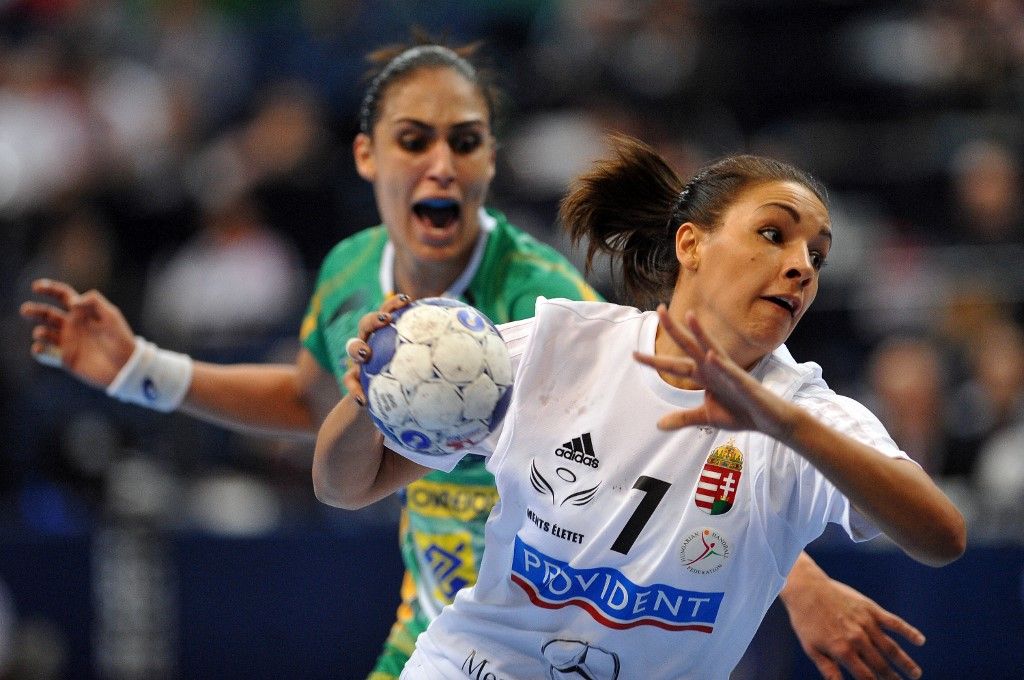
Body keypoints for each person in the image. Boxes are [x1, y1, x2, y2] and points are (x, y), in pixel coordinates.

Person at [22, 40, 932, 680]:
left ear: (492, 161)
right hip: (460, 625)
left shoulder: (543, 303)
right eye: (415, 140)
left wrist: (796, 577)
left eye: (465, 141)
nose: (442, 164)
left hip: (591, 619)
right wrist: (145, 369)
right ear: (366, 157)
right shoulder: (352, 273)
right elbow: (314, 410)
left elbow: (677, 472)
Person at [314, 134, 965, 679]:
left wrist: (784, 425)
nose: (802, 268)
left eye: (816, 256)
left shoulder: (804, 413)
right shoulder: (560, 346)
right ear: (691, 244)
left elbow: (941, 538)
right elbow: (346, 485)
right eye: (773, 234)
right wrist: (374, 396)